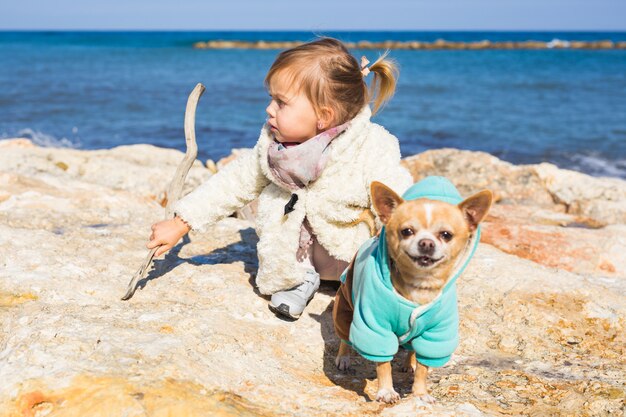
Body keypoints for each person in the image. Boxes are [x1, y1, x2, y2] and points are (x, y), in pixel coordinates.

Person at [147, 37, 413, 320]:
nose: (269, 109)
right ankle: (300, 281)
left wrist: (412, 237)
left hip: (349, 252)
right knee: (286, 248)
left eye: (281, 102)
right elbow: (233, 183)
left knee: (370, 270)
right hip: (295, 256)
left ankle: (359, 284)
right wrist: (181, 222)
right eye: (271, 98)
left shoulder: (371, 146)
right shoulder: (273, 149)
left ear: (324, 116)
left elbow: (395, 193)